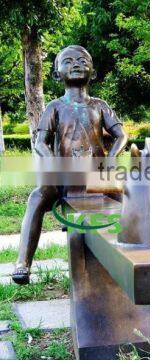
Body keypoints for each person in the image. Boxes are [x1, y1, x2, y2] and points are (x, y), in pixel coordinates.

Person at [12, 45, 128, 285]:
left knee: (131, 195)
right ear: (56, 75)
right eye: (68, 61)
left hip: (98, 178)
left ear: (93, 73)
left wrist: (112, 157)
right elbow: (40, 143)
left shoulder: (99, 105)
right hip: (64, 183)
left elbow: (121, 135)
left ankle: (141, 253)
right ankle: (23, 262)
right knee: (37, 196)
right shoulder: (54, 107)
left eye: (83, 60)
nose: (77, 64)